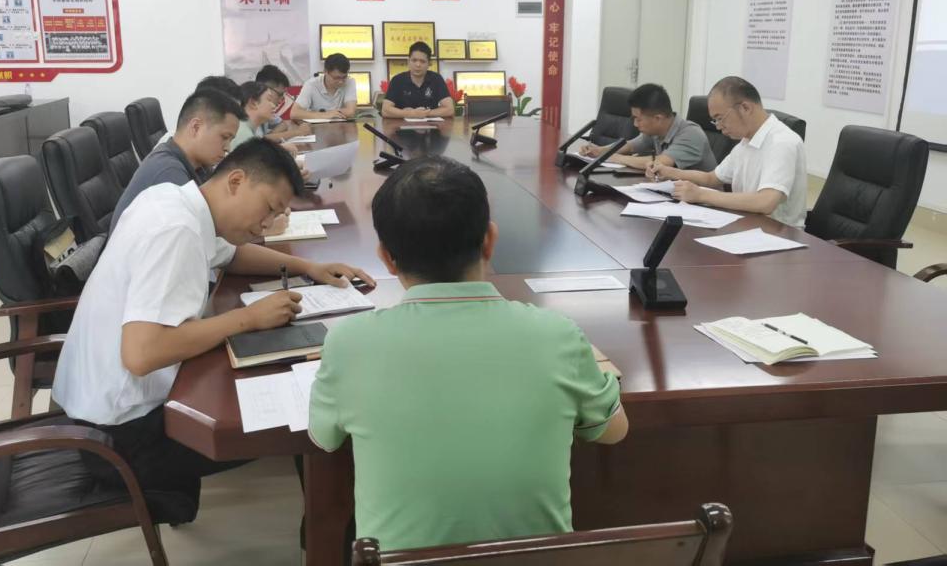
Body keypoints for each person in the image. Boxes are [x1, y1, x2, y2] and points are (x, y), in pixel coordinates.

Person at [309, 156, 627, 551]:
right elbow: (614, 431)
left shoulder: (349, 342)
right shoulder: (557, 335)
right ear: (490, 240)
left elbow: (325, 438)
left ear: (386, 258)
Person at [52, 139, 371, 503]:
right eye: (268, 208)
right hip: (121, 437)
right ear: (236, 181)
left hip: (102, 410)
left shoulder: (176, 201)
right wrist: (247, 318)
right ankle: (329, 526)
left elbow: (232, 256)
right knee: (312, 419)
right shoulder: (177, 229)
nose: (267, 224)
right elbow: (141, 355)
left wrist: (308, 267)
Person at [648, 76, 807, 227]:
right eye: (715, 120)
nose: (718, 126)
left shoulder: (782, 142)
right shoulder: (746, 142)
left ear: (745, 108)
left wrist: (701, 195)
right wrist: (669, 172)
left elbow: (766, 202)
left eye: (720, 118)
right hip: (748, 224)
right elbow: (711, 178)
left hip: (780, 234)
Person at [110, 88, 242, 234]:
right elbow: (204, 232)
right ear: (196, 127)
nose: (228, 148)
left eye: (230, 140)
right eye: (224, 137)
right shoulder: (168, 174)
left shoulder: (199, 164)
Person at [580, 83, 716, 172]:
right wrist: (599, 151)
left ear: (658, 118)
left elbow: (659, 163)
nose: (635, 124)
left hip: (705, 203)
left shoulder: (691, 134)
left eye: (638, 119)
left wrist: (613, 157)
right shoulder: (656, 131)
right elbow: (630, 146)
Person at [380, 42, 455, 119]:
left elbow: (449, 110)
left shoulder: (436, 79)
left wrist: (423, 113)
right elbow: (385, 110)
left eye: (422, 61)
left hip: (430, 126)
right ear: (408, 61)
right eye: (414, 60)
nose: (418, 65)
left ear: (429, 64)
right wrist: (410, 114)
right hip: (403, 126)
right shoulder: (397, 80)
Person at [290, 53, 358, 121]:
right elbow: (294, 113)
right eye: (336, 78)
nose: (341, 82)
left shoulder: (349, 81)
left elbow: (350, 112)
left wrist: (329, 114)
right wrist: (325, 115)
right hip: (315, 126)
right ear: (325, 71)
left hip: (341, 126)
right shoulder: (311, 85)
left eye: (344, 77)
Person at [256, 64, 312, 142]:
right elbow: (259, 142)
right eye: (279, 95)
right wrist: (297, 132)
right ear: (266, 90)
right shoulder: (250, 111)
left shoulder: (266, 110)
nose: (280, 101)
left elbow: (285, 122)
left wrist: (296, 122)